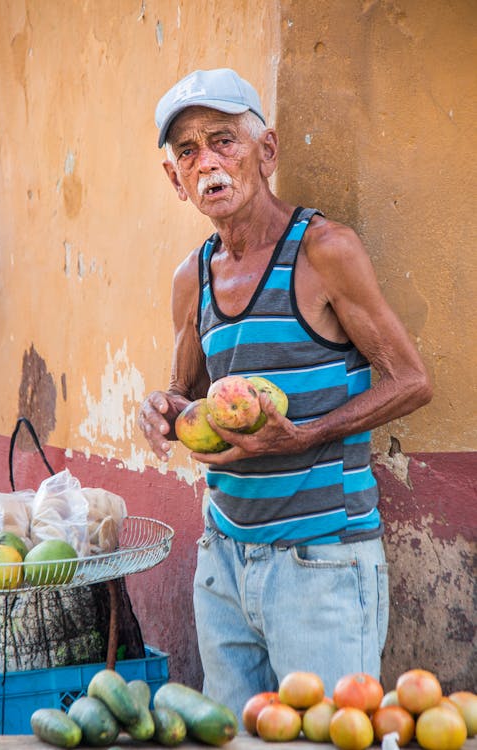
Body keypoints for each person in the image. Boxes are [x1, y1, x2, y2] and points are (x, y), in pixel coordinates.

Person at [138, 68, 432, 720]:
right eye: (188, 152)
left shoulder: (325, 251)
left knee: (328, 737)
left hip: (320, 562)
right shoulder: (193, 277)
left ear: (265, 151)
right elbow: (182, 392)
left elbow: (412, 379)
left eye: (224, 141)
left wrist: (304, 435)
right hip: (222, 559)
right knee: (234, 735)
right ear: (174, 179)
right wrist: (159, 412)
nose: (208, 162)